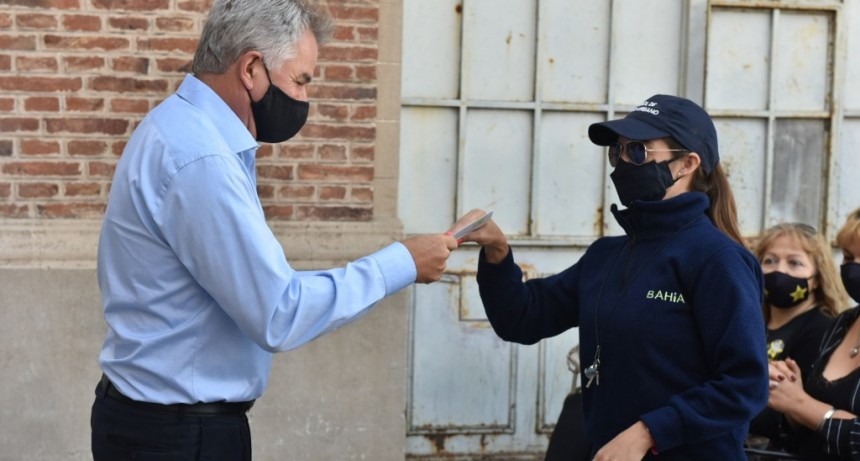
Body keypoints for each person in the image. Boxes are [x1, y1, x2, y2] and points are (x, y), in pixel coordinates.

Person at [90, 1, 457, 460]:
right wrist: (402, 262)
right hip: (178, 436)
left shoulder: (182, 129)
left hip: (162, 424)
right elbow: (279, 313)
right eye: (300, 79)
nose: (304, 97)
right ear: (251, 68)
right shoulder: (200, 158)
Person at [449, 94, 769, 460]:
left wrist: (649, 432)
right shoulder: (605, 256)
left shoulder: (717, 259)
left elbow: (744, 384)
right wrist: (497, 252)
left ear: (687, 164)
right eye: (616, 152)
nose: (622, 163)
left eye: (638, 151)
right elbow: (521, 318)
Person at [768, 207, 860, 460]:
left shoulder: (818, 324)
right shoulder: (843, 323)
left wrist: (801, 403)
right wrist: (788, 392)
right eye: (849, 257)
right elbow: (800, 434)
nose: (854, 269)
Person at [748, 223, 848, 449]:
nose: (779, 271)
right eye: (770, 261)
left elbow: (793, 419)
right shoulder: (750, 321)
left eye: (795, 263)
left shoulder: (822, 330)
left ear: (816, 278)